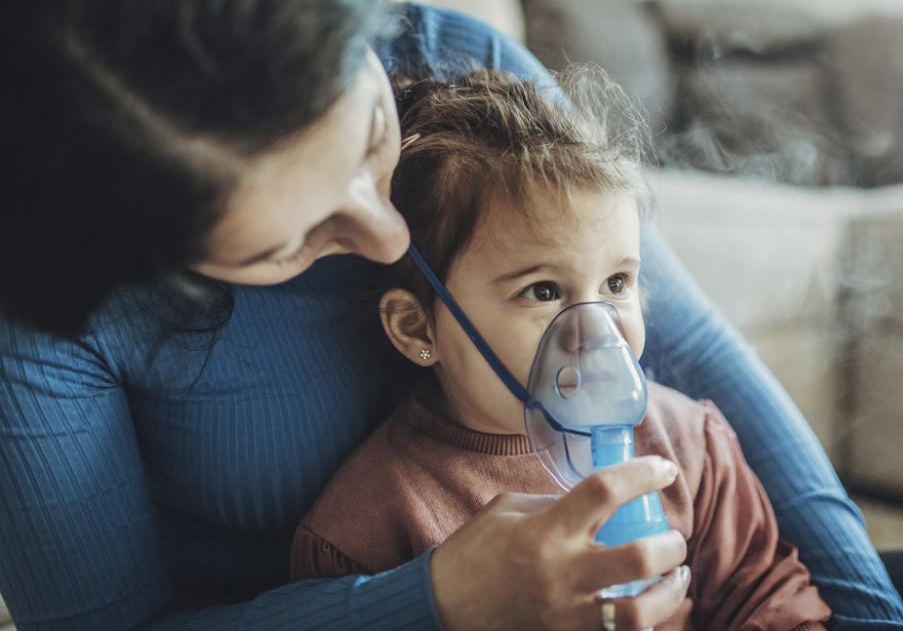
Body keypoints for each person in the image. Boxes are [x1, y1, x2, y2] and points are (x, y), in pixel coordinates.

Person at [0, 0, 903, 630]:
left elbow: (694, 354)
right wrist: (437, 599)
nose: (384, 238)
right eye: (291, 240)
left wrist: (869, 614)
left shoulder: (454, 68)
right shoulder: (44, 307)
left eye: (374, 135)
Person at [288, 69, 834, 631]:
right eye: (542, 292)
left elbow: (769, 595)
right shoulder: (370, 522)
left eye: (617, 284)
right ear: (418, 330)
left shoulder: (687, 445)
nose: (594, 330)